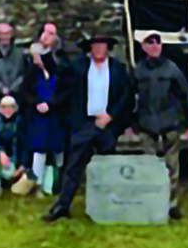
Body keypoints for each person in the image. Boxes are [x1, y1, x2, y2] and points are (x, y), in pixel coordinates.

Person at [44, 35, 135, 222]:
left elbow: (126, 97)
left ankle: (109, 206)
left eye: (102, 46)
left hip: (107, 125)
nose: (99, 49)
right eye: (95, 46)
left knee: (108, 167)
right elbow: (59, 73)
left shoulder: (118, 69)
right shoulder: (79, 67)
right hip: (84, 124)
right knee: (74, 166)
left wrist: (110, 116)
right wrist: (46, 53)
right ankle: (62, 206)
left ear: (108, 48)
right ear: (90, 49)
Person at [119, 32, 188, 218]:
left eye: (157, 43)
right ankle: (150, 201)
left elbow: (185, 95)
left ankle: (171, 205)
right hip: (145, 124)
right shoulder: (138, 70)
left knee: (172, 168)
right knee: (148, 166)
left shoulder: (172, 69)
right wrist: (129, 123)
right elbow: (129, 98)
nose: (154, 47)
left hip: (170, 123)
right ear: (143, 47)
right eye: (149, 44)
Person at [23, 43, 72, 196]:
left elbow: (66, 92)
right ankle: (37, 185)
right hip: (39, 119)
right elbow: (25, 93)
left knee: (57, 151)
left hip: (56, 117)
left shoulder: (59, 74)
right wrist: (36, 104)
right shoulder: (31, 74)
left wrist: (51, 104)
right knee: (39, 150)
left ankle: (54, 185)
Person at [0, 95, 26, 193]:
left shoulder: (20, 121)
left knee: (9, 175)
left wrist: (22, 164)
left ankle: (10, 179)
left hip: (13, 156)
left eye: (11, 107)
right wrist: (0, 152)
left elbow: (23, 143)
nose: (8, 110)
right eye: (4, 107)